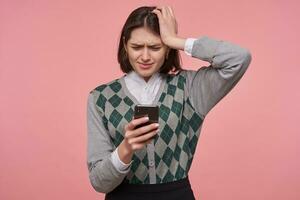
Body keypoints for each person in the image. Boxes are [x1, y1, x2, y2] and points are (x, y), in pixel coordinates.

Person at [86, 5, 251, 200]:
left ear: (166, 49)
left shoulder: (189, 88)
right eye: (137, 47)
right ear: (124, 45)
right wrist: (126, 148)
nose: (145, 57)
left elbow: (239, 58)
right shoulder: (101, 98)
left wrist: (175, 40)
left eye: (155, 47)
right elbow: (99, 182)